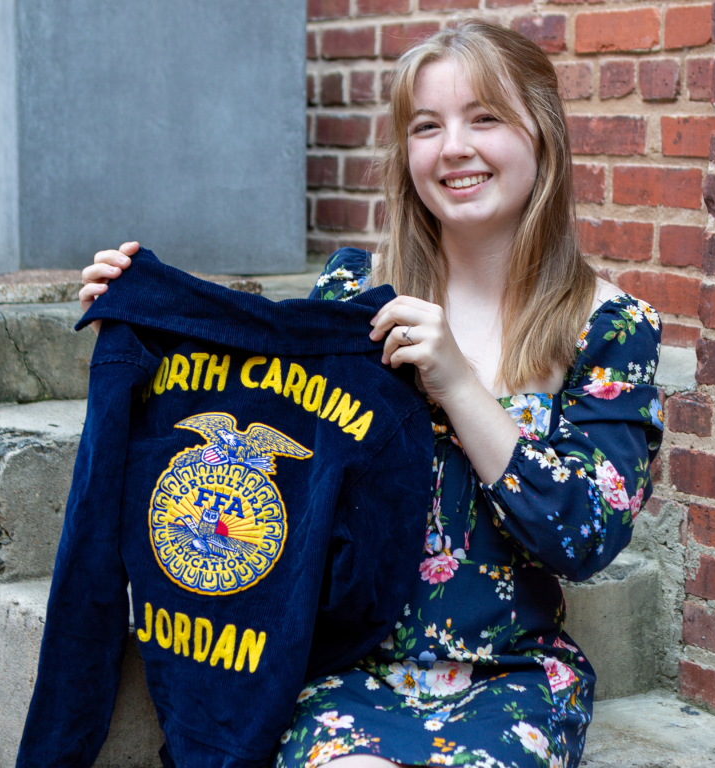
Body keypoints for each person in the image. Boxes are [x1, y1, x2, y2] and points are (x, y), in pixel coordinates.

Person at [80, 19, 663, 768]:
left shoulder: (609, 327)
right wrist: (148, 318)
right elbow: (245, 411)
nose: (454, 146)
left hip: (508, 677)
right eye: (427, 126)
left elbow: (584, 536)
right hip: (345, 666)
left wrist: (456, 384)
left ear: (542, 136)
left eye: (484, 117)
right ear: (406, 153)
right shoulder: (355, 296)